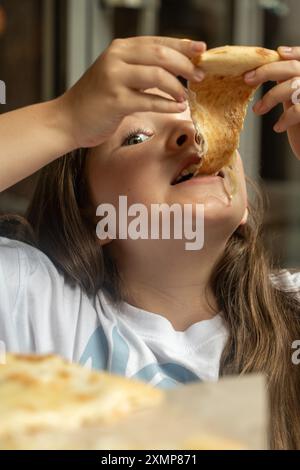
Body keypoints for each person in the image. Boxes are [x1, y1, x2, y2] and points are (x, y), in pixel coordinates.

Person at [0, 36, 300, 449]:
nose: (189, 133)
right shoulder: (36, 305)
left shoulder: (292, 317)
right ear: (92, 217)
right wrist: (64, 119)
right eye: (136, 137)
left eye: (200, 116)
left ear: (243, 210)